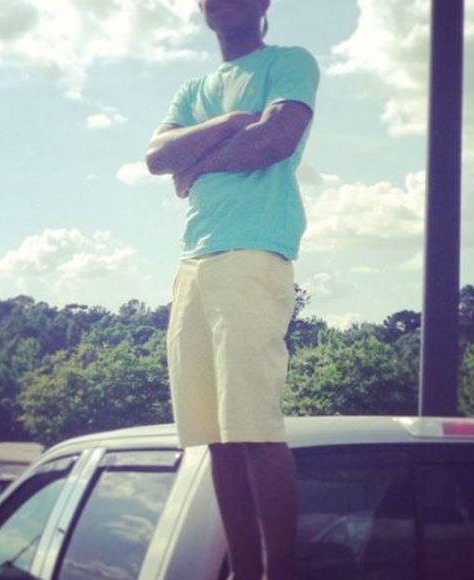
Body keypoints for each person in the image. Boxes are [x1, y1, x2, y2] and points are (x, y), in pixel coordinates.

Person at [146, 1, 319, 578]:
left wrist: (196, 165)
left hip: (253, 252)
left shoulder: (288, 62)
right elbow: (156, 157)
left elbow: (276, 138)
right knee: (218, 437)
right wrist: (226, 124)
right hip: (193, 262)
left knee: (253, 426)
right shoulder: (193, 89)